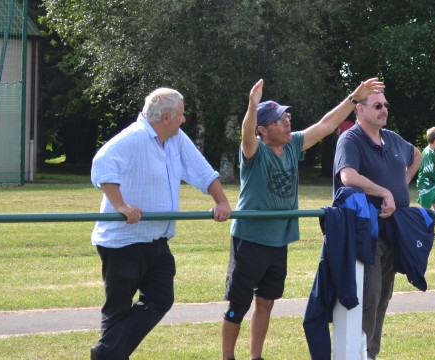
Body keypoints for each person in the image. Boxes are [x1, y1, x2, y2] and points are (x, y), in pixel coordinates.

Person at [221, 77, 384, 360]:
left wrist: (354, 98)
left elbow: (325, 125)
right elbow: (247, 135)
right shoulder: (255, 151)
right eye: (279, 120)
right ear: (264, 129)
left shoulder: (293, 144)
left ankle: (255, 356)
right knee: (238, 304)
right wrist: (252, 105)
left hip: (278, 240)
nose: (287, 123)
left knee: (267, 301)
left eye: (287, 117)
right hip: (250, 238)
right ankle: (227, 357)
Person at [89, 88, 232, 359]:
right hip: (123, 242)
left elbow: (202, 170)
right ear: (166, 116)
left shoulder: (175, 138)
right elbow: (103, 162)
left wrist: (222, 202)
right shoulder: (134, 137)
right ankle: (108, 354)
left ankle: (106, 353)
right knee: (117, 310)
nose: (184, 119)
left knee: (161, 298)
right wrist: (121, 206)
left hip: (157, 240)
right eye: (181, 114)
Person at [333, 90, 422, 359]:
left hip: (393, 233)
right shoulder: (350, 139)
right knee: (368, 298)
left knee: (382, 298)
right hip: (365, 234)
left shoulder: (393, 139)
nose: (384, 109)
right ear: (359, 110)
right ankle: (356, 354)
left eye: (386, 104)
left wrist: (399, 186)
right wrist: (385, 192)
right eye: (377, 105)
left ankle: (370, 354)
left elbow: (416, 155)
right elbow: (348, 176)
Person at [417, 126, 435, 239]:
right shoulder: (429, 153)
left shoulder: (430, 152)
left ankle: (431, 232)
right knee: (425, 212)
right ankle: (422, 232)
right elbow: (428, 171)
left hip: (431, 187)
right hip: (426, 187)